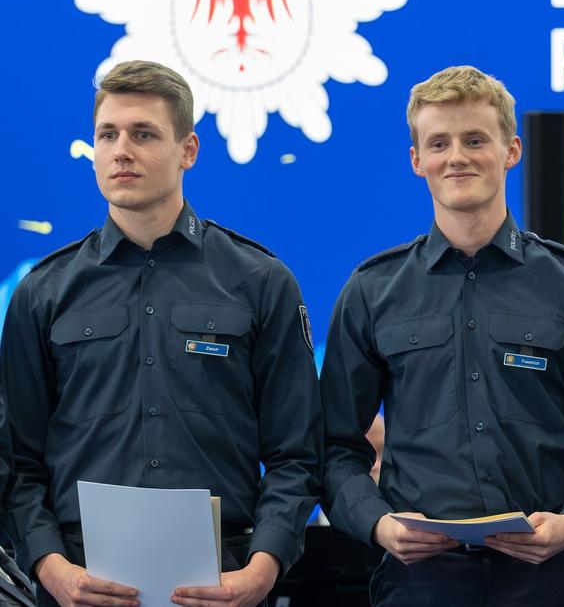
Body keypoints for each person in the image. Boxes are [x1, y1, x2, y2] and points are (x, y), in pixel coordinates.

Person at [0, 60, 323, 607]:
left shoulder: (260, 281)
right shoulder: (42, 291)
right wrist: (50, 570)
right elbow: (16, 460)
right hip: (79, 580)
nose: (121, 150)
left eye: (143, 134)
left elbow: (297, 454)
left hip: (226, 578)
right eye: (108, 134)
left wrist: (262, 569)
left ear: (188, 150)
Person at [319, 65, 564, 606]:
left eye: (475, 140)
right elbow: (333, 445)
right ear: (416, 160)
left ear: (511, 150)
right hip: (417, 582)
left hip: (547, 579)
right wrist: (377, 523)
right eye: (438, 143)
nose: (457, 157)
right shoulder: (373, 290)